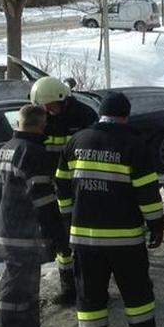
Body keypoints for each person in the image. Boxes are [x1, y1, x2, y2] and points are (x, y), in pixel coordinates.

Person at [55, 92, 164, 327]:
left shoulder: (77, 141)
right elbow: (147, 193)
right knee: (137, 295)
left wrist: (68, 217)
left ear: (101, 113)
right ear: (125, 115)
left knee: (90, 296)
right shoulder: (134, 145)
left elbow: (61, 183)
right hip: (125, 241)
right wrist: (157, 225)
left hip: (84, 240)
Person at [0, 105, 69, 327]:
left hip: (8, 225)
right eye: (45, 123)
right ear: (39, 124)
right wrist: (57, 233)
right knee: (14, 286)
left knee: (28, 281)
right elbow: (43, 199)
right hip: (23, 232)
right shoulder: (32, 152)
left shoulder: (5, 149)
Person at [30, 75, 96, 307]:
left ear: (61, 98)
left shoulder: (85, 116)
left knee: (83, 241)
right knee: (61, 241)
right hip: (54, 188)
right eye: (43, 108)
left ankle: (89, 287)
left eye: (50, 106)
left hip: (81, 188)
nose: (47, 111)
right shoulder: (44, 119)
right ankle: (68, 287)